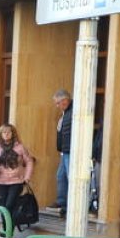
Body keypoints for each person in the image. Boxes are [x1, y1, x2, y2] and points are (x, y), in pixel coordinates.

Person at [0, 124, 35, 227]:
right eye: (4, 132)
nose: (6, 134)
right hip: (1, 182)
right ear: (0, 134)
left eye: (9, 132)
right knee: (3, 207)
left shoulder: (20, 147)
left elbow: (29, 161)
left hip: (16, 182)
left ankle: (9, 230)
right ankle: (6, 231)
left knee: (9, 205)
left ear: (13, 134)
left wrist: (27, 177)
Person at [53, 89, 73, 217]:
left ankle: (67, 205)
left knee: (70, 178)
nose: (57, 106)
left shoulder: (72, 113)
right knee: (61, 176)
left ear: (64, 101)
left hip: (70, 151)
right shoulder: (66, 113)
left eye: (57, 103)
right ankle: (62, 202)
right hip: (64, 151)